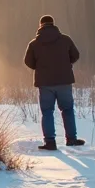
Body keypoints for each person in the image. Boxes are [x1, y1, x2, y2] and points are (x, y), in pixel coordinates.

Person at [24, 15, 85, 151]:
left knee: (47, 112)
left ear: (40, 26)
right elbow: (75, 55)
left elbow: (28, 62)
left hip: (45, 83)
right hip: (64, 81)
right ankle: (71, 139)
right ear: (53, 24)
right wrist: (66, 63)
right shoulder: (65, 40)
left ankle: (50, 142)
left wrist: (39, 67)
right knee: (67, 110)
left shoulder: (34, 44)